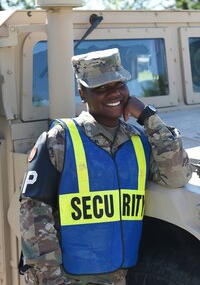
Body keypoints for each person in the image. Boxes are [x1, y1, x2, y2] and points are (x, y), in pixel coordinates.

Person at [20, 48, 192, 285]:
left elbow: (177, 176)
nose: (114, 93)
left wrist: (148, 117)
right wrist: (49, 278)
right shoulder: (60, 139)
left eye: (119, 84)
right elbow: (34, 213)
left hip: (118, 276)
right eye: (100, 88)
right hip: (69, 278)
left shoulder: (138, 139)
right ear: (82, 93)